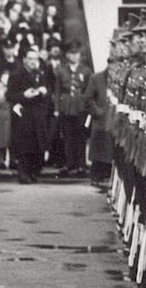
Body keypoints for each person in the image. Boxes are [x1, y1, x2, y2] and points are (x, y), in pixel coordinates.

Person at [6, 46, 54, 183]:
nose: (33, 62)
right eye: (30, 59)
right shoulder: (16, 74)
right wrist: (24, 95)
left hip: (39, 113)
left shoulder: (41, 73)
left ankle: (33, 172)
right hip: (25, 114)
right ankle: (23, 174)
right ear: (24, 60)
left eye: (36, 59)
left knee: (37, 145)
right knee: (25, 146)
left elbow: (49, 90)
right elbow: (9, 95)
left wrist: (45, 91)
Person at [54, 41, 92, 176]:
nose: (75, 57)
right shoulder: (61, 70)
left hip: (80, 107)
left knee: (80, 137)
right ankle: (69, 164)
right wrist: (57, 108)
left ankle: (81, 165)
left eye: (77, 54)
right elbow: (57, 90)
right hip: (66, 107)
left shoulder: (86, 71)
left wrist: (88, 108)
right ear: (67, 55)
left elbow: (89, 91)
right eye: (72, 54)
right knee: (67, 137)